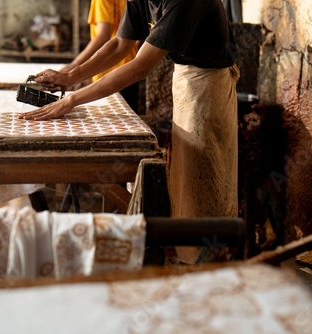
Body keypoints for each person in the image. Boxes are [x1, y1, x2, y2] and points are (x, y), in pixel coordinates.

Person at [19, 0, 239, 264]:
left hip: (208, 84)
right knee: (186, 176)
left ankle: (211, 261)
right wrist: (70, 76)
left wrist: (71, 100)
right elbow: (119, 44)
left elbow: (141, 66)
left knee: (206, 173)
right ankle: (187, 254)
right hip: (185, 78)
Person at [60, 0, 140, 111]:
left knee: (111, 121)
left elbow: (103, 35)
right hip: (131, 64)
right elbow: (139, 35)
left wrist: (76, 64)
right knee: (129, 117)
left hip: (108, 69)